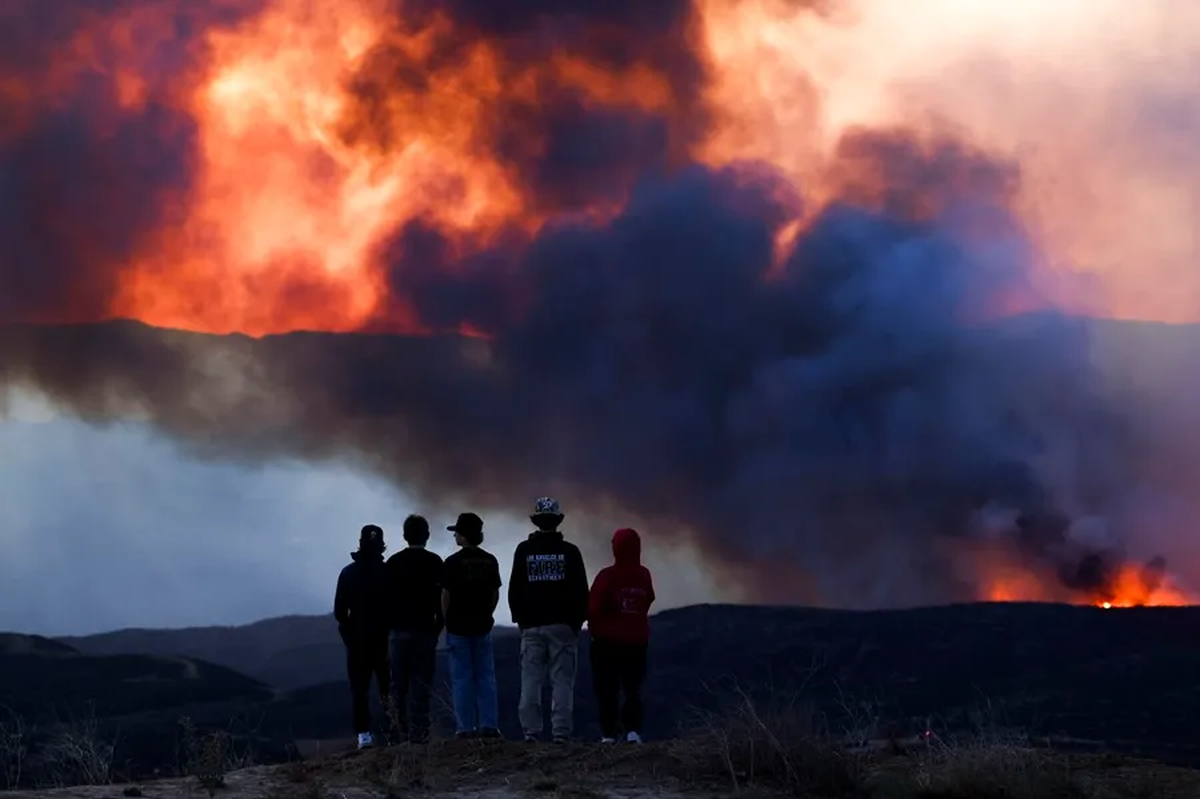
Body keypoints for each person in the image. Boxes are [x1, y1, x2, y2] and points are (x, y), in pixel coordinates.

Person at [507, 497, 589, 743]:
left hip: (532, 627)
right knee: (562, 682)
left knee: (530, 681)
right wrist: (575, 624)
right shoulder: (570, 552)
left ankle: (531, 732)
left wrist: (522, 621)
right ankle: (561, 733)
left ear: (536, 521)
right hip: (562, 627)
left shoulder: (524, 550)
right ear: (557, 521)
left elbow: (514, 589)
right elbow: (582, 591)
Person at [587, 527, 656, 744]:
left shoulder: (607, 576)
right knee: (633, 688)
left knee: (608, 690)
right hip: (636, 643)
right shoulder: (644, 575)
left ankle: (608, 734)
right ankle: (633, 732)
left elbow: (593, 607)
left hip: (606, 644)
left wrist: (596, 629)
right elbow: (648, 600)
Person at [441, 512, 503, 739]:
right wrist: (488, 614)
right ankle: (489, 725)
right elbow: (495, 594)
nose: (455, 535)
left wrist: (446, 620)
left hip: (458, 627)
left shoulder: (452, 563)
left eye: (457, 531)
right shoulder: (490, 561)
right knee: (486, 676)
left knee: (462, 679)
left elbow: (445, 596)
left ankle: (465, 728)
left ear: (464, 535)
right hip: (482, 625)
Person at [385, 514, 444, 744]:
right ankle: (420, 735)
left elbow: (386, 599)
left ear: (404, 536)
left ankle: (397, 733)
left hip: (399, 632)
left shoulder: (394, 562)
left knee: (397, 686)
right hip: (425, 631)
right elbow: (442, 599)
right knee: (421, 685)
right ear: (427, 536)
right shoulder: (435, 562)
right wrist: (437, 628)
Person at [334, 524, 392, 750]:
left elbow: (340, 611)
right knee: (388, 687)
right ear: (381, 545)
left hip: (358, 640)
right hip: (385, 640)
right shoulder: (388, 572)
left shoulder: (349, 572)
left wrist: (350, 633)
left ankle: (364, 735)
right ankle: (394, 729)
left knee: (360, 689)